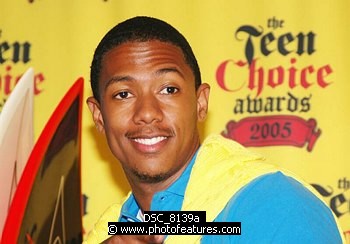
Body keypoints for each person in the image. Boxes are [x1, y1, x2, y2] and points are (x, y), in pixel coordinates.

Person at [85, 16, 345, 243]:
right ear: (99, 116)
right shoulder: (111, 230)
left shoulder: (276, 207)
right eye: (123, 94)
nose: (147, 113)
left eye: (169, 89)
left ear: (200, 103)